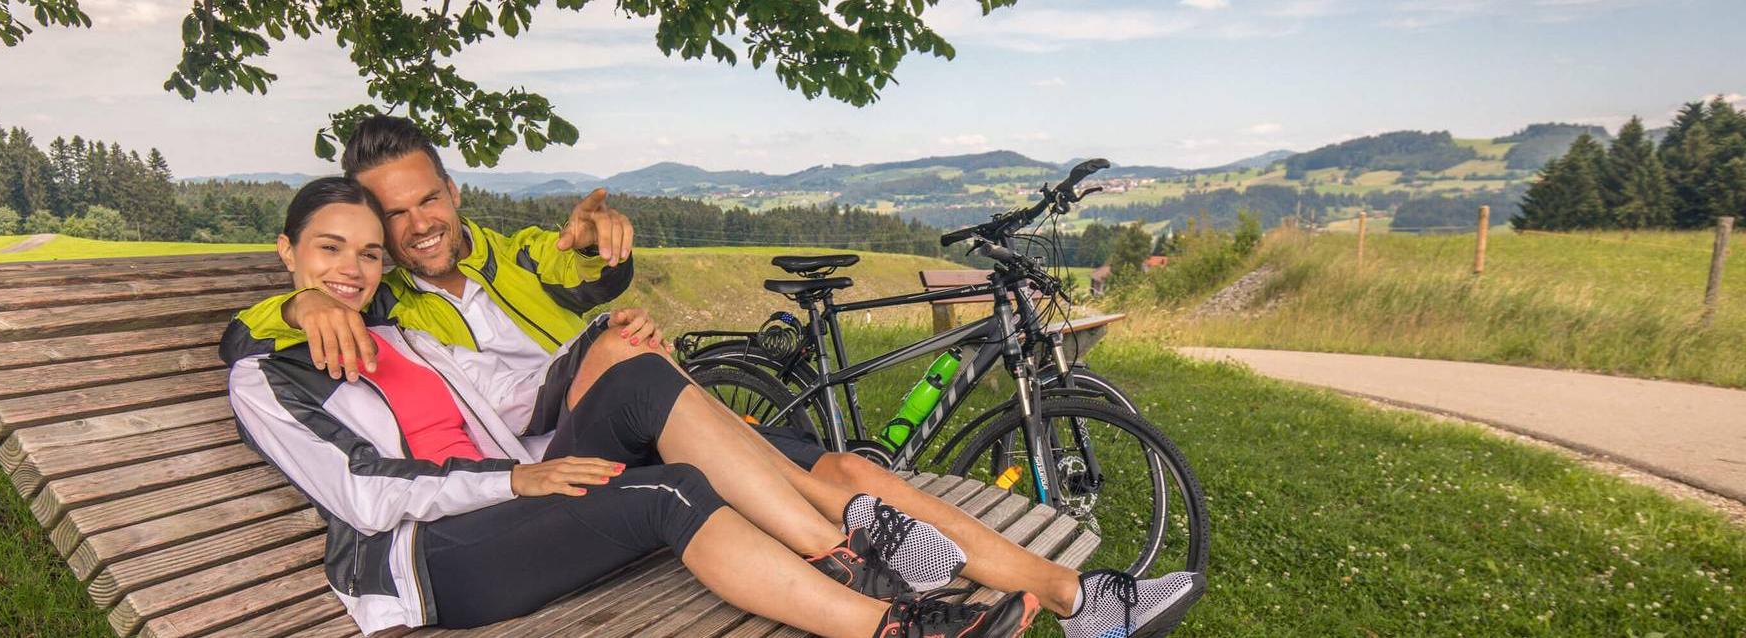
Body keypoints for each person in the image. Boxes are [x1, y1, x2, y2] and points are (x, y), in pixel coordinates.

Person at [240, 116, 1206, 638]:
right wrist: (304, 306)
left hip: (602, 426)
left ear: (452, 193)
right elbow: (267, 339)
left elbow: (574, 267)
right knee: (643, 374)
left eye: (427, 202)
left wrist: (599, 256)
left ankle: (1081, 601)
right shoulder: (378, 311)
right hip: (560, 455)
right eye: (384, 222)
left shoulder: (499, 251)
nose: (413, 230)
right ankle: (858, 557)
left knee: (850, 477)